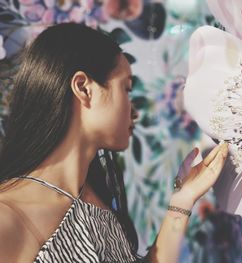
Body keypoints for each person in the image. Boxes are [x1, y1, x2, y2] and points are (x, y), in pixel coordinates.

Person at [0, 23, 229, 263]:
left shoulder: (90, 196)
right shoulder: (8, 218)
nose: (134, 111)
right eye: (126, 88)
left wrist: (183, 199)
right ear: (83, 88)